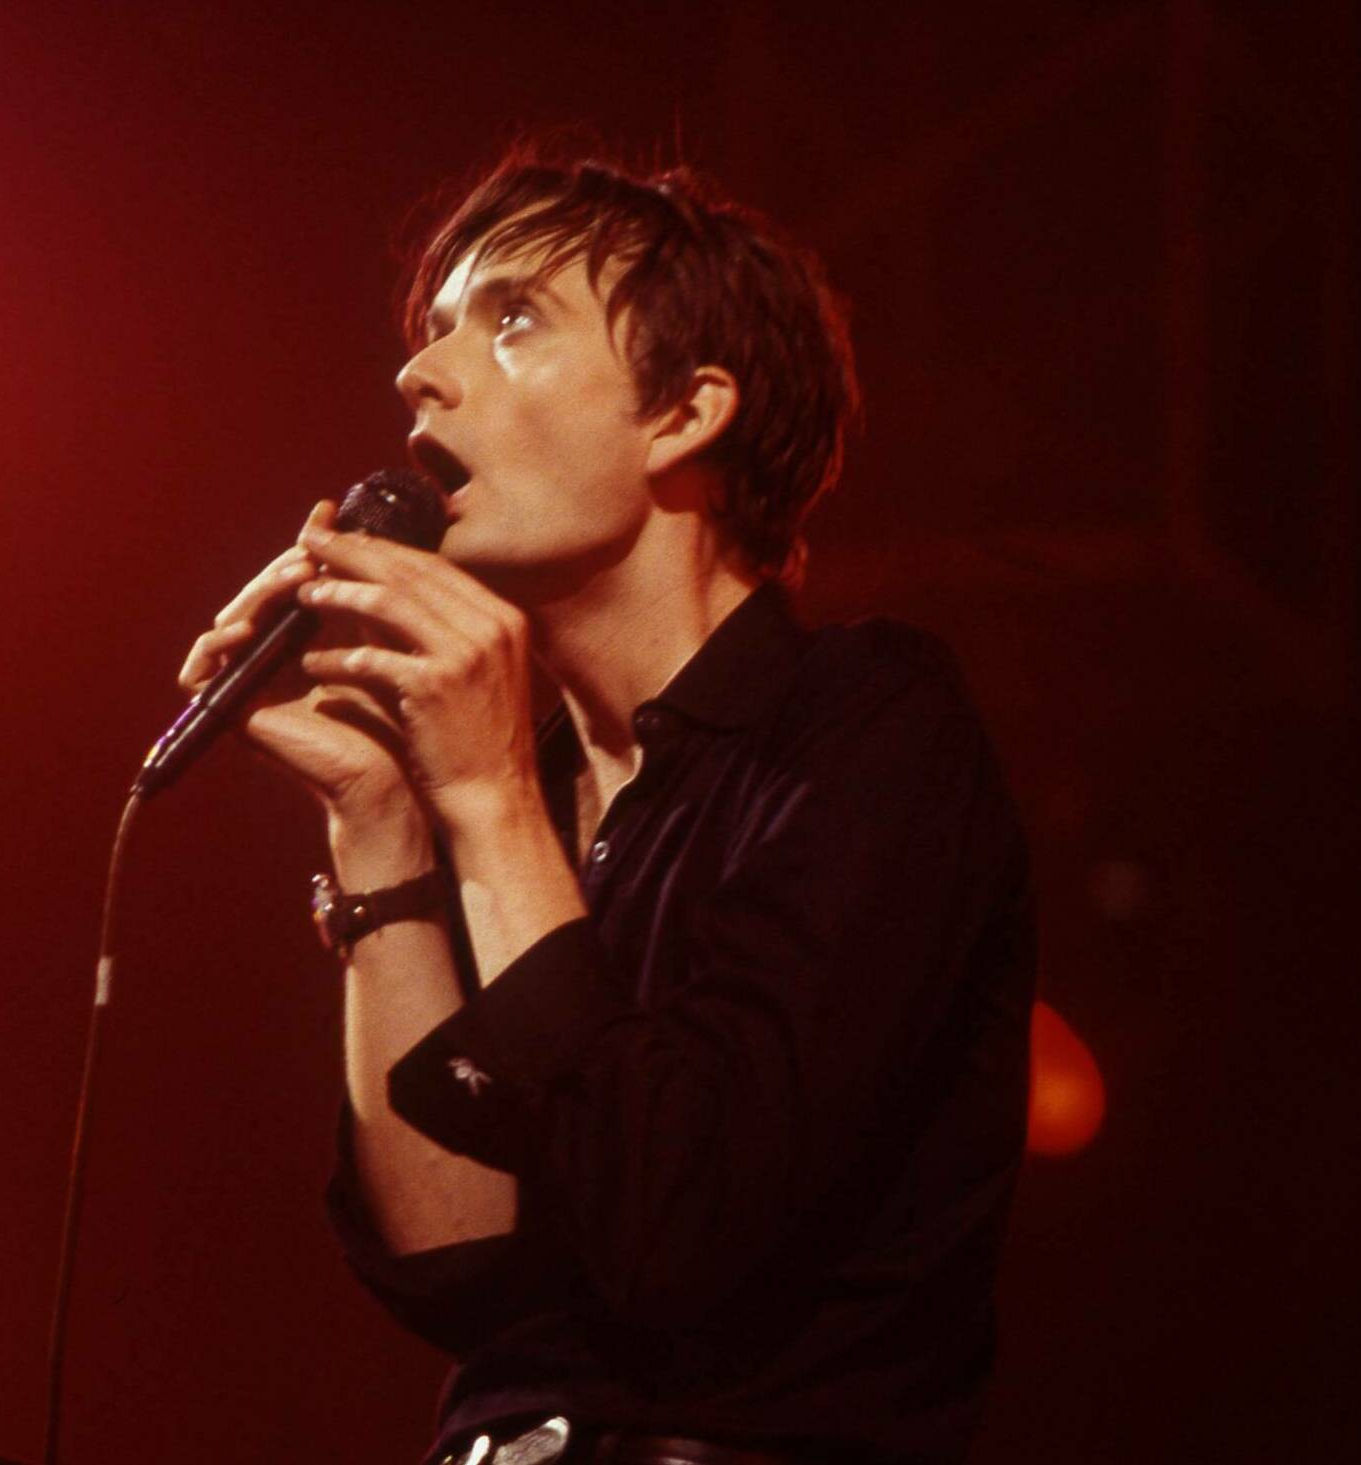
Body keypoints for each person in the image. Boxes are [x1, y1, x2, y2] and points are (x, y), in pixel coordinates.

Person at [176, 140, 1037, 1465]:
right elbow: (459, 1274)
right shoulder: (512, 784)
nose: (421, 370)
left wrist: (483, 795)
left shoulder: (869, 725)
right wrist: (383, 827)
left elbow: (677, 1225)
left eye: (513, 318)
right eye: (437, 328)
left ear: (683, 414)